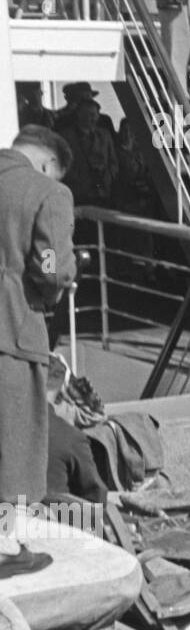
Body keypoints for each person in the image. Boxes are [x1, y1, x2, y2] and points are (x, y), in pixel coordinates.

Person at [0, 126, 76, 578]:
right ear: (48, 163)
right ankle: (6, 543)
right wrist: (59, 279)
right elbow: (49, 266)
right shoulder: (47, 190)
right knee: (13, 434)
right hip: (12, 325)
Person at [57, 95, 118, 209]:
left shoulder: (105, 135)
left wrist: (107, 177)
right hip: (78, 196)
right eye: (87, 115)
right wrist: (81, 182)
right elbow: (61, 165)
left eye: (94, 115)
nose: (92, 118)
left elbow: (113, 162)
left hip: (103, 194)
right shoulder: (65, 137)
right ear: (79, 115)